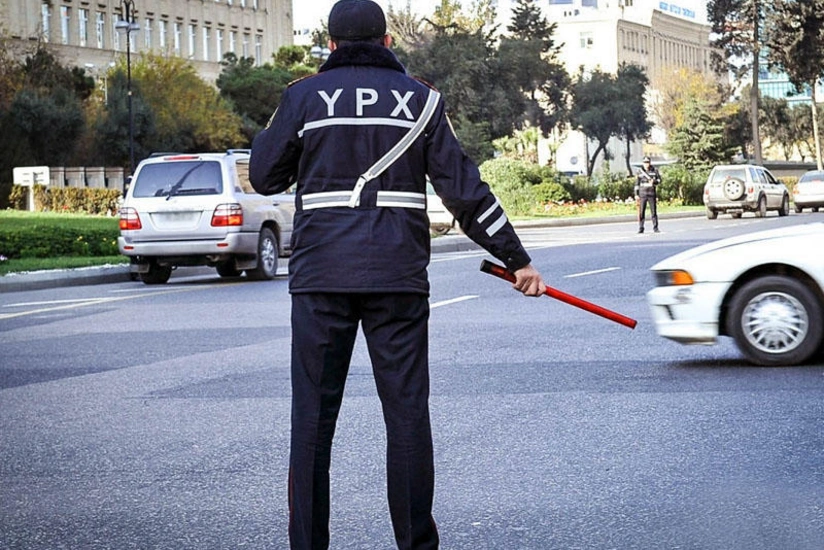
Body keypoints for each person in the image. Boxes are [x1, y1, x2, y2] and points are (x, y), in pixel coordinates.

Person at [249, 1, 546, 548]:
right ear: (388, 42)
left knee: (312, 423)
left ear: (330, 45)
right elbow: (465, 192)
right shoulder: (422, 100)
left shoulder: (303, 96)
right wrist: (516, 259)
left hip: (321, 280)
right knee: (407, 419)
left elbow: (265, 176)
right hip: (398, 278)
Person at [635, 156, 661, 233]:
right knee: (641, 212)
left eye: (647, 162)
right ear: (643, 163)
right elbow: (637, 184)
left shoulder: (654, 170)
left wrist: (654, 181)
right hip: (642, 193)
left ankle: (655, 227)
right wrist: (636, 194)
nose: (646, 164)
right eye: (645, 162)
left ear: (650, 163)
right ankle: (641, 227)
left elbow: (659, 180)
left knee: (653, 212)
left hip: (651, 193)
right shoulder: (640, 172)